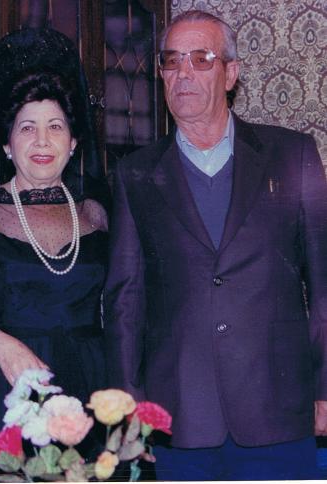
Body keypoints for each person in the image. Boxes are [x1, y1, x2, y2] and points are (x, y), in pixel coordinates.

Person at [104, 9, 327, 481]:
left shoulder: (293, 155)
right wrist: (126, 406)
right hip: (179, 420)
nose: (183, 72)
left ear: (231, 73)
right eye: (171, 60)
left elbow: (324, 282)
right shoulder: (134, 174)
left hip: (279, 413)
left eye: (201, 59)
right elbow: (125, 300)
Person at [0, 28, 110, 481]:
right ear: (7, 145)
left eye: (56, 127)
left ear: (74, 142)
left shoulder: (97, 215)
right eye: (27, 128)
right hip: (6, 399)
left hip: (88, 401)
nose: (42, 141)